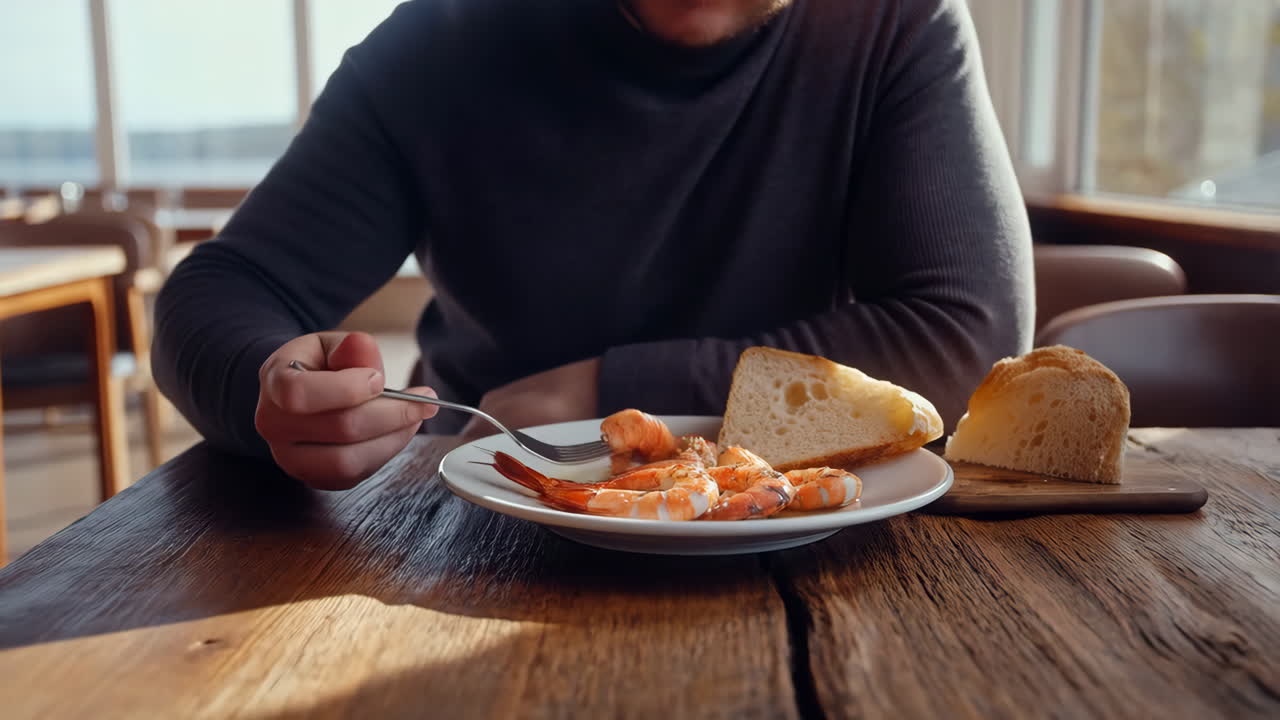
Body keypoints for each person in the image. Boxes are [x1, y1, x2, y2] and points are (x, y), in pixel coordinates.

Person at [153, 0, 1034, 490]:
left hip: (807, 533)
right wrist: (272, 388)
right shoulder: (438, 44)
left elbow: (967, 339)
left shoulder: (895, 26)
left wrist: (616, 390)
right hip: (483, 508)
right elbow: (223, 290)